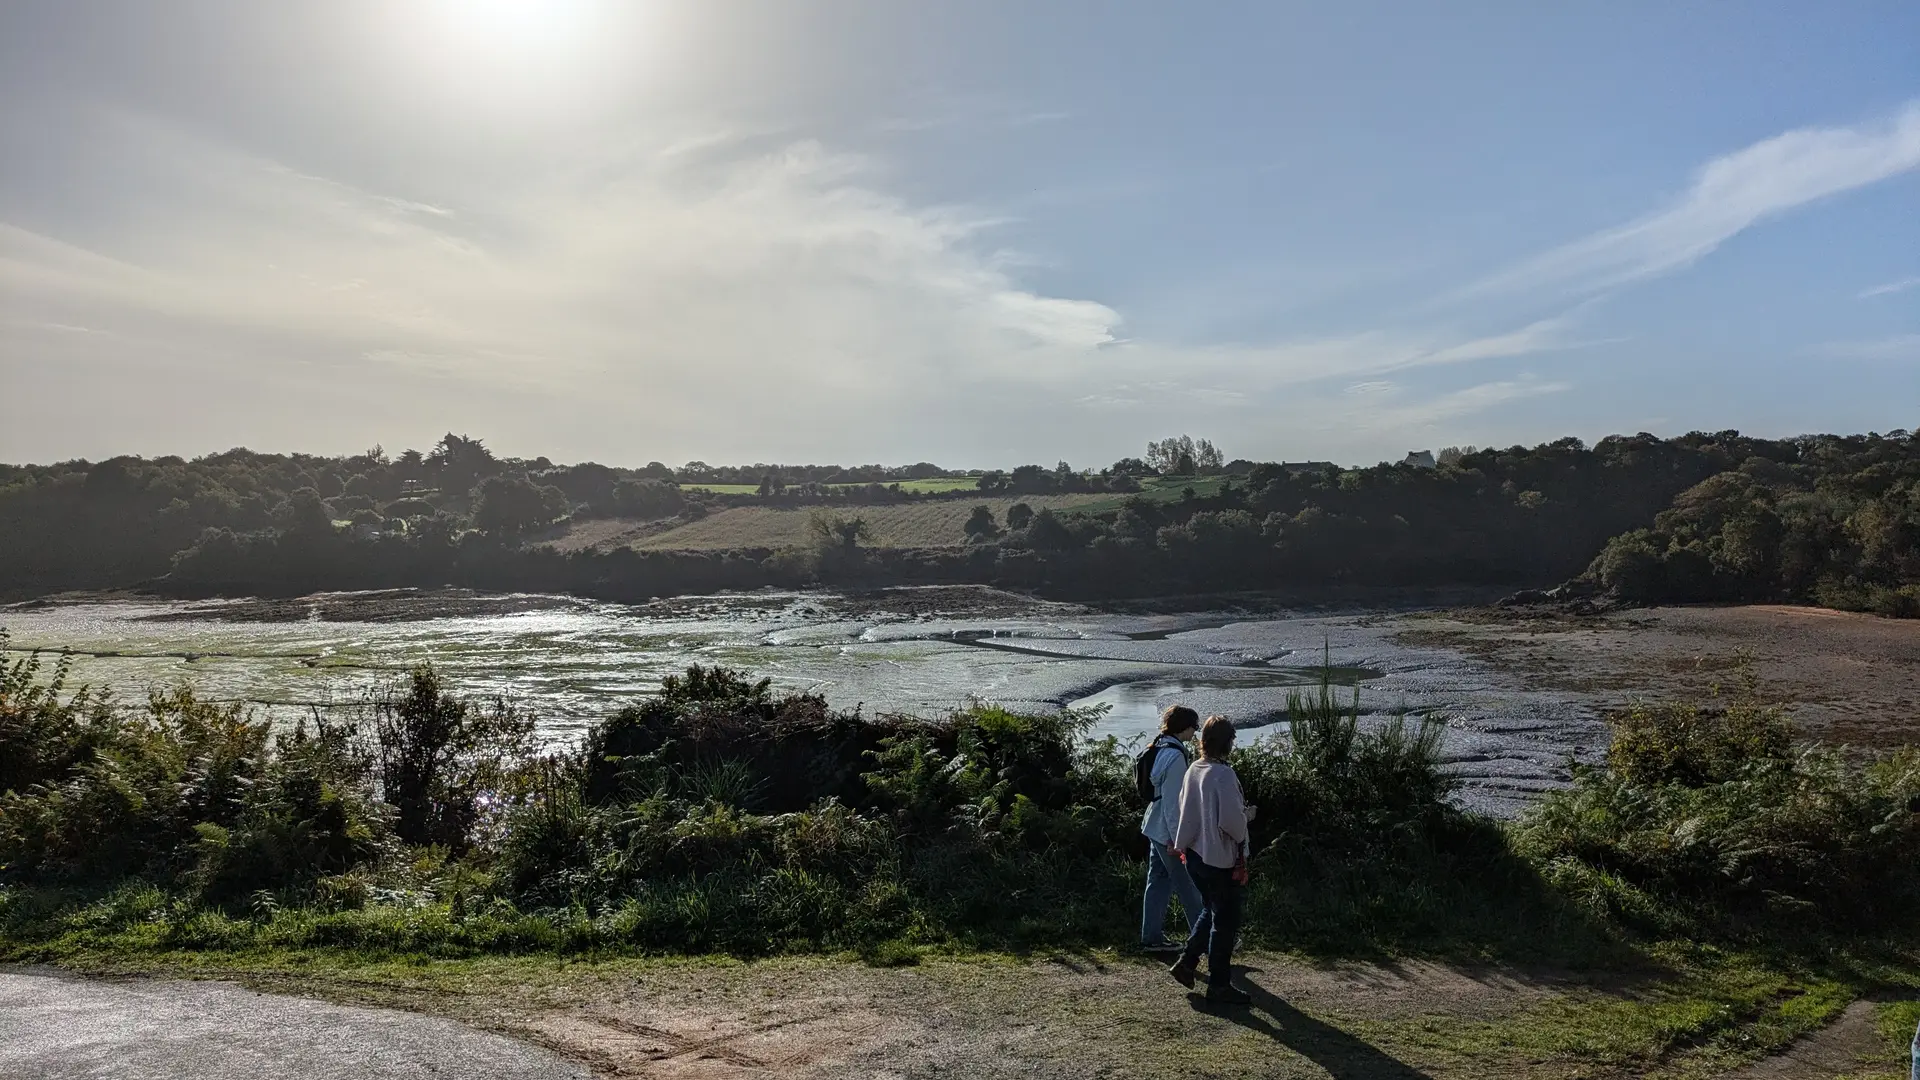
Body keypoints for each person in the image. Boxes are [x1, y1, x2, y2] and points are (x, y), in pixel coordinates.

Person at [1167, 715, 1255, 1005]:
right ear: (1227, 743)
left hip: (1194, 855)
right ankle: (1219, 985)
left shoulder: (1194, 768)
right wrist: (1247, 817)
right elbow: (1232, 823)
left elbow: (1185, 810)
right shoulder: (1223, 775)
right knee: (1225, 922)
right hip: (1219, 859)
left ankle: (1187, 962)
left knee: (1210, 910)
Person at [1138, 705, 1204, 952]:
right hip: (1166, 832)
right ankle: (1206, 939)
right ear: (1184, 727)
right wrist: (1178, 841)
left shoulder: (1159, 746)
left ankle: (1151, 938)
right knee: (1188, 886)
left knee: (1157, 881)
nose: (1195, 732)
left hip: (1153, 826)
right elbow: (1174, 803)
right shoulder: (1176, 756)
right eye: (1193, 727)